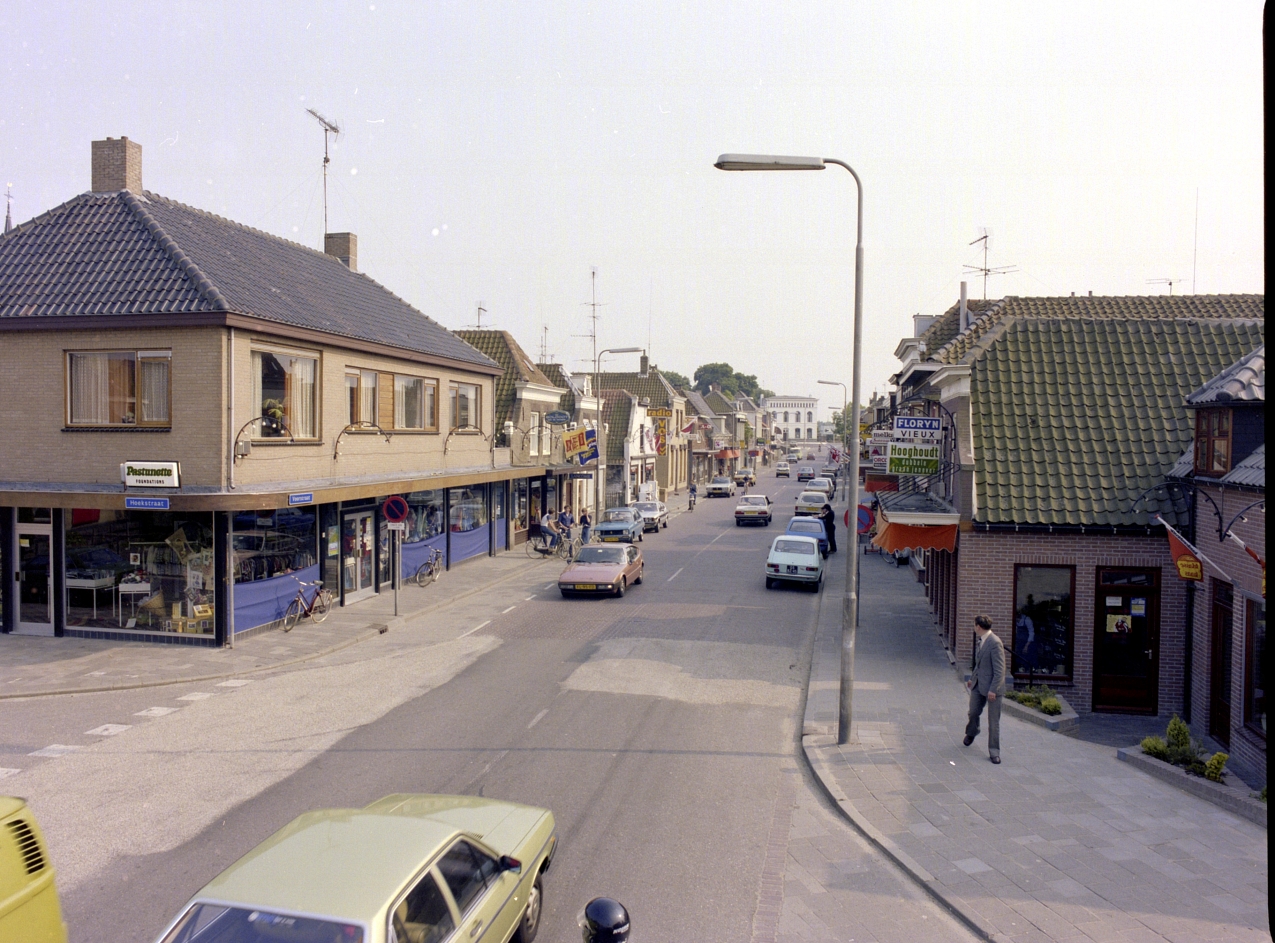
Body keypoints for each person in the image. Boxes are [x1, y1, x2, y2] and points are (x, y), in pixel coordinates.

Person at [964, 614, 1006, 764]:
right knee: (973, 712)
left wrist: (993, 689)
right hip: (978, 684)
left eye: (974, 625)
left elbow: (1000, 670)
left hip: (993, 688)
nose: (973, 628)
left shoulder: (995, 643)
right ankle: (972, 732)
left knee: (993, 721)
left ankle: (994, 752)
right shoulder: (981, 641)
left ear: (979, 627)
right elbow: (979, 663)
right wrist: (972, 678)